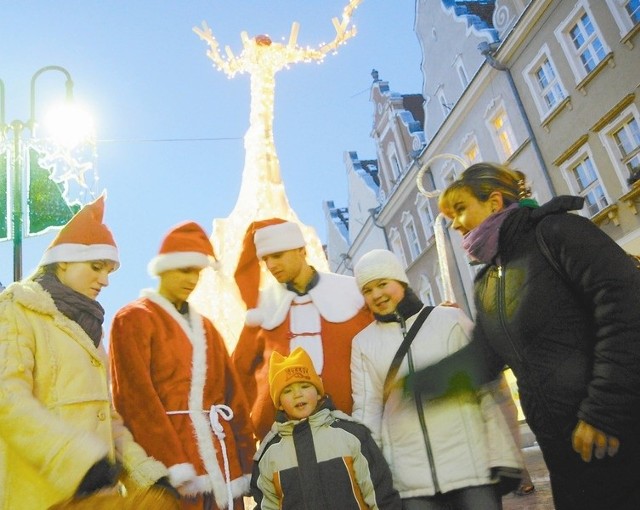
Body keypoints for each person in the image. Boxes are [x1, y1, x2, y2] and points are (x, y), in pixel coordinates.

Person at [405, 162, 640, 510]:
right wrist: (414, 386)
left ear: (495, 202)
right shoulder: (488, 281)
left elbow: (625, 315)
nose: (454, 224)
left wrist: (602, 412)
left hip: (618, 431)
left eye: (460, 209)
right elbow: (483, 357)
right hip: (566, 449)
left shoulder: (558, 233)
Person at [0, 196, 177, 509]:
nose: (105, 280)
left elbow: (106, 418)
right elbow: (8, 399)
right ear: (63, 261)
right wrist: (78, 461)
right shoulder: (17, 309)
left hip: (94, 497)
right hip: (38, 496)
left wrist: (145, 473)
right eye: (97, 267)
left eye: (109, 271)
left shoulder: (89, 332)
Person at [351, 249, 522, 510]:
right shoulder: (363, 343)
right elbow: (368, 411)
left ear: (400, 281)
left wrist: (502, 455)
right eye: (367, 290)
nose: (376, 295)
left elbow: (485, 391)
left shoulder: (449, 321)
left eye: (382, 284)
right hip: (410, 482)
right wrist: (375, 474)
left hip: (470, 469)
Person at [109, 221, 256, 510]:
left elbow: (234, 398)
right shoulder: (133, 319)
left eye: (198, 273)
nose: (192, 280)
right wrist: (170, 464)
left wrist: (247, 462)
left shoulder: (208, 328)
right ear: (163, 268)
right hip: (172, 467)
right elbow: (135, 399)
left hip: (222, 464)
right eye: (184, 270)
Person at [232, 218, 372, 439]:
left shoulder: (350, 293)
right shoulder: (263, 309)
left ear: (301, 250)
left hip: (350, 432)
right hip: (285, 441)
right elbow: (239, 374)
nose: (270, 266)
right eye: (265, 259)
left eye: (277, 256)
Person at [251, 346, 402, 509]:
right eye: (287, 390)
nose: (297, 394)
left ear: (318, 393)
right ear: (279, 404)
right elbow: (267, 504)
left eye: (304, 386)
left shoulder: (352, 434)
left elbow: (381, 495)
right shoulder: (269, 454)